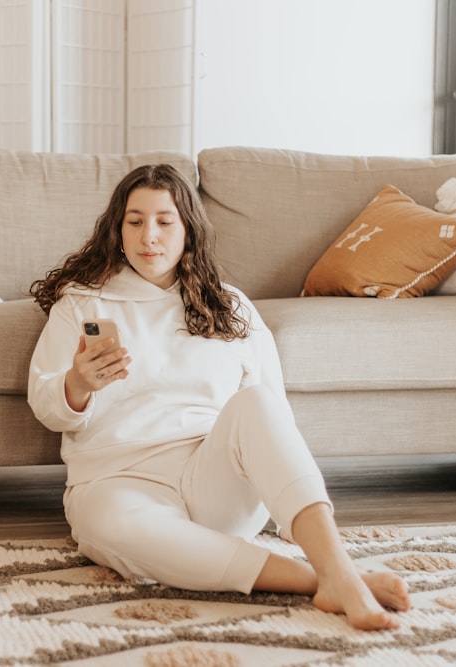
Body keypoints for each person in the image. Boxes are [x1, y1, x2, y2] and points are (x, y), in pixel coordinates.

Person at [28, 164, 410, 630]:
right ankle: (327, 581)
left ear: (189, 230)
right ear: (117, 230)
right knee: (111, 526)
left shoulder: (231, 306)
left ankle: (337, 566)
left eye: (165, 222)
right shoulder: (83, 303)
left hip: (214, 480)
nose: (150, 236)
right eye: (135, 221)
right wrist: (78, 382)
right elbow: (46, 406)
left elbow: (274, 420)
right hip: (117, 481)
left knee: (257, 402)